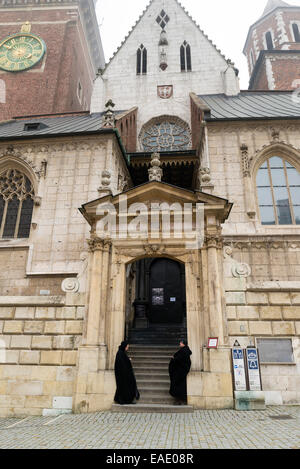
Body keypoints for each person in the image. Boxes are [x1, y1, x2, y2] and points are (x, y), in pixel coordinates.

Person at [114, 340, 140, 405]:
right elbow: (121, 364)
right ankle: (123, 400)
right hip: (122, 375)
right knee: (124, 387)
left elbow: (124, 361)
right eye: (127, 347)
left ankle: (127, 400)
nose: (127, 348)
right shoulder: (120, 353)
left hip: (125, 375)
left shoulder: (122, 353)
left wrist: (128, 360)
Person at [169, 339, 192, 405]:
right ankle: (180, 399)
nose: (180, 343)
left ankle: (178, 400)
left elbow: (180, 360)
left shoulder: (183, 351)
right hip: (181, 372)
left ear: (183, 344)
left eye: (181, 342)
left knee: (178, 386)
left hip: (179, 372)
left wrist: (174, 359)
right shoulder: (184, 350)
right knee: (181, 386)